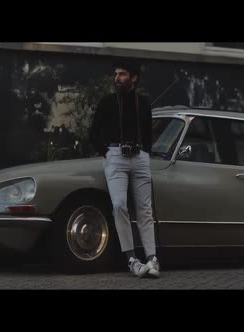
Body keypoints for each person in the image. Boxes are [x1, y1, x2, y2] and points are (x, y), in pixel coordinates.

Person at [89, 60, 159, 278]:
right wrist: (107, 152)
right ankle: (131, 259)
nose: (117, 78)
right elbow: (93, 132)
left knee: (145, 210)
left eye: (122, 74)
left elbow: (148, 133)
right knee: (119, 205)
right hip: (116, 156)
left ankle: (152, 259)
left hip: (140, 157)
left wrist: (145, 152)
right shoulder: (107, 102)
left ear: (134, 78)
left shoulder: (143, 103)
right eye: (116, 74)